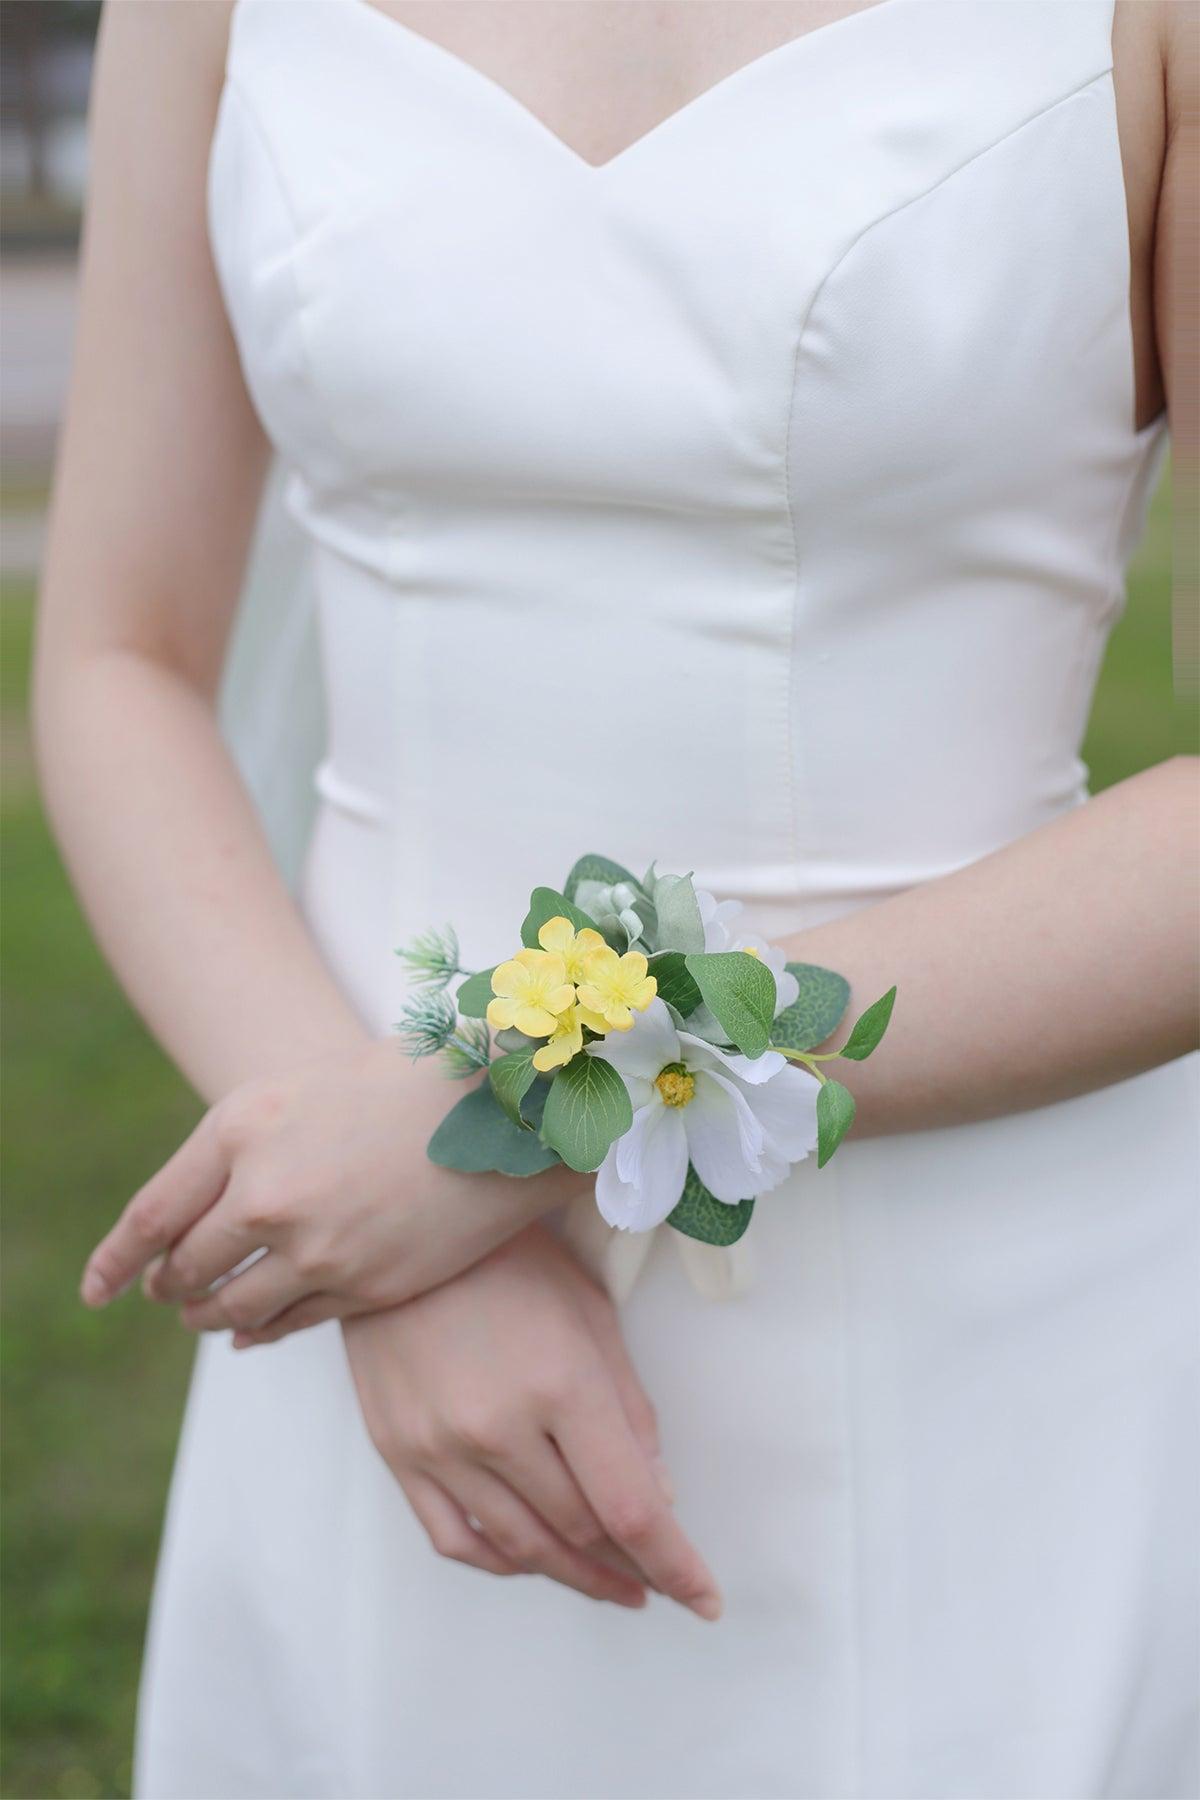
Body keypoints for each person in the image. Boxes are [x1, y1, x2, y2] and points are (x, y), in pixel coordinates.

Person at [32, 1, 1199, 1794]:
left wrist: (506, 1116)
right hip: (363, 1310)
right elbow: (121, 654)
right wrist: (375, 1234)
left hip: (967, 1302)